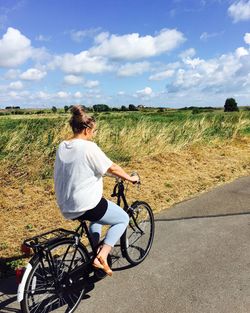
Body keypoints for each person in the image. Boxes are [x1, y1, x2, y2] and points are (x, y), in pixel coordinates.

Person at [54, 105, 139, 276]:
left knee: (98, 218)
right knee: (122, 218)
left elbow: (78, 168)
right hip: (85, 204)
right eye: (93, 130)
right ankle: (101, 256)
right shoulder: (88, 147)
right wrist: (130, 178)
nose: (93, 134)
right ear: (86, 130)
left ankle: (93, 250)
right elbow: (112, 168)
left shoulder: (63, 146)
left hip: (66, 204)